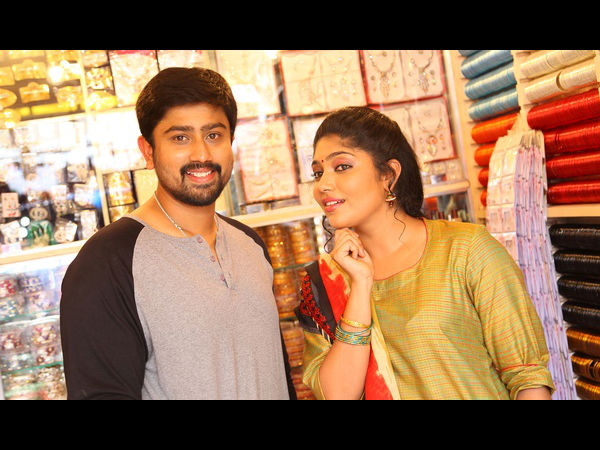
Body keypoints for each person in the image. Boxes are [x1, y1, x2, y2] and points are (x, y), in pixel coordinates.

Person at [60, 67, 295, 400]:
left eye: (214, 135)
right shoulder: (108, 262)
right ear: (148, 150)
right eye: (180, 138)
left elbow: (278, 376)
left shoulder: (250, 244)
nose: (201, 154)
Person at [295, 106, 555, 400]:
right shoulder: (326, 280)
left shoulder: (466, 250)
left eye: (342, 167)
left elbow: (528, 377)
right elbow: (339, 395)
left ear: (388, 175)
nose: (323, 185)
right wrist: (361, 285)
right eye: (318, 173)